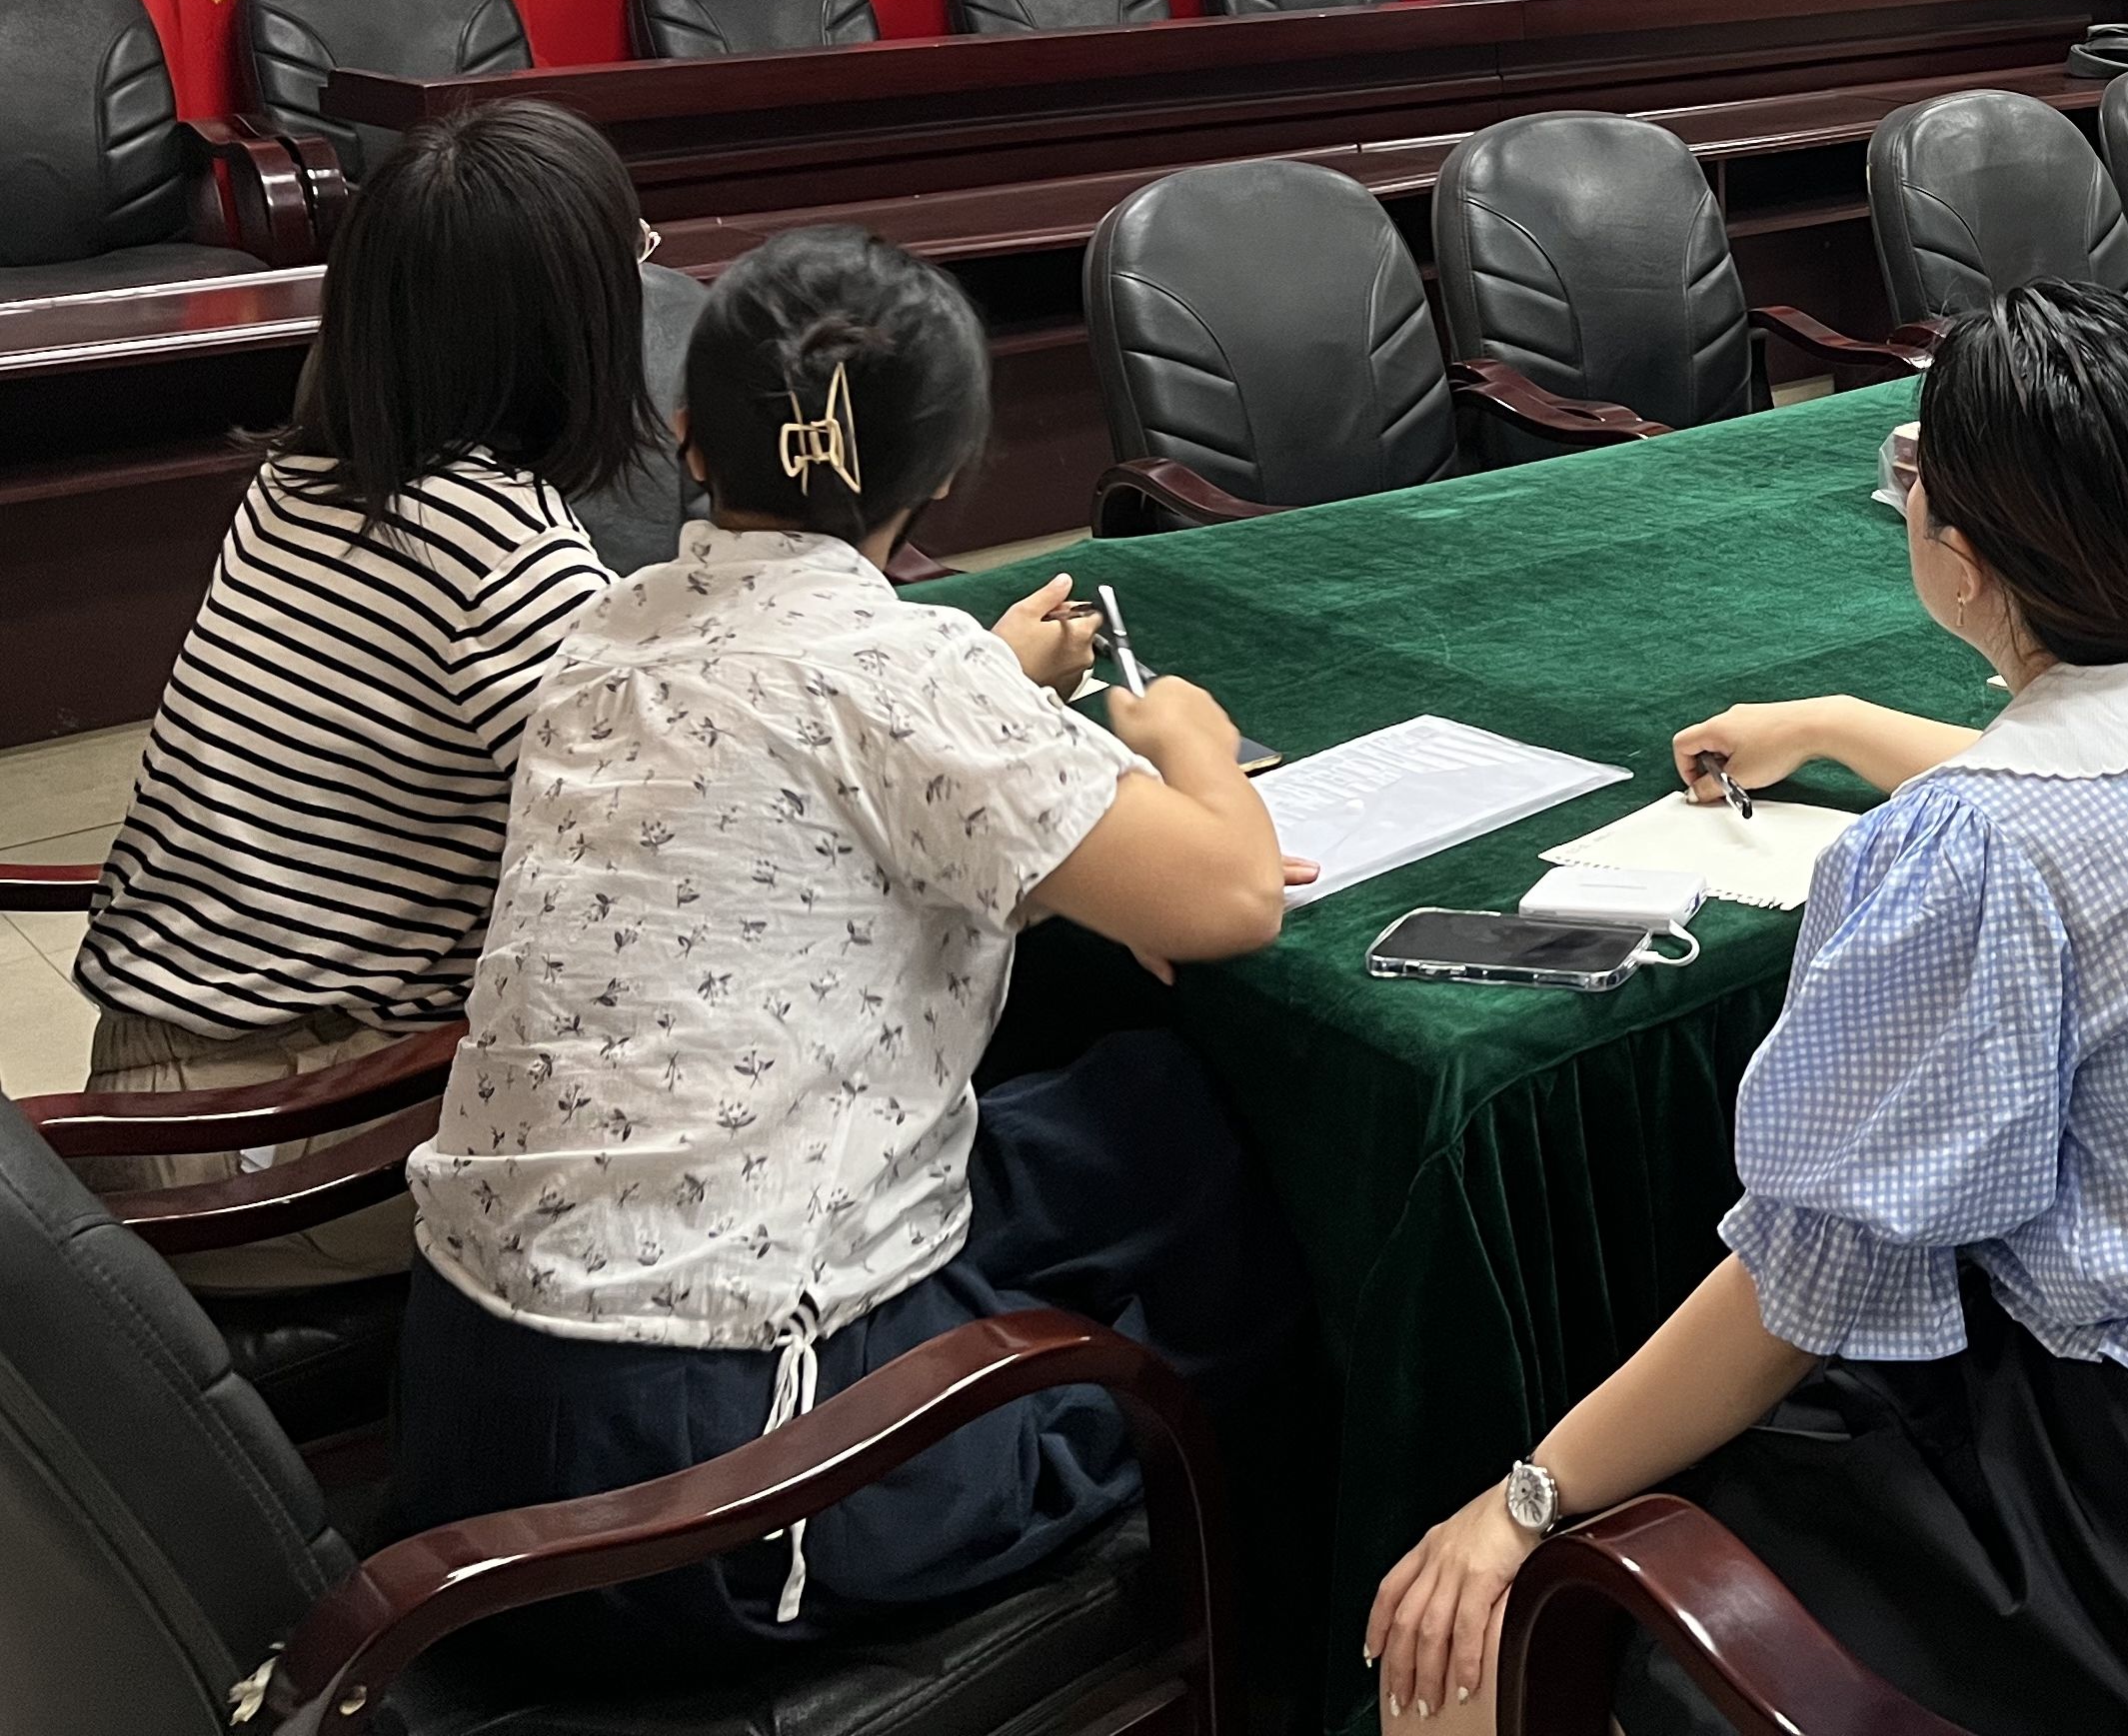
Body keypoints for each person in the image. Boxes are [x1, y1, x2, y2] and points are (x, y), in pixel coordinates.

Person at [1364, 283, 2128, 1736]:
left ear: (1954, 551)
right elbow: (2089, 778)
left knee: (1470, 1651)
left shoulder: (1982, 848)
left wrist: (1524, 1500)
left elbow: (1801, 1290)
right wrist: (1833, 725)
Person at [397, 223, 1309, 1662]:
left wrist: (1003, 708)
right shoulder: (909, 676)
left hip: (474, 1415)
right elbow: (1234, 896)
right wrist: (1191, 741)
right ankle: (1258, 1631)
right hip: (707, 1496)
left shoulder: (604, 631)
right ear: (946, 473)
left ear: (688, 436)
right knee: (1209, 1280)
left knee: (1145, 1114)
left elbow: (805, 772)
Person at [71, 99, 650, 1289]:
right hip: (276, 1138)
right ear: (574, 324)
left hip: (156, 1077)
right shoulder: (502, 557)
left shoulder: (311, 473)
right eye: (632, 260)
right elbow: (667, 843)